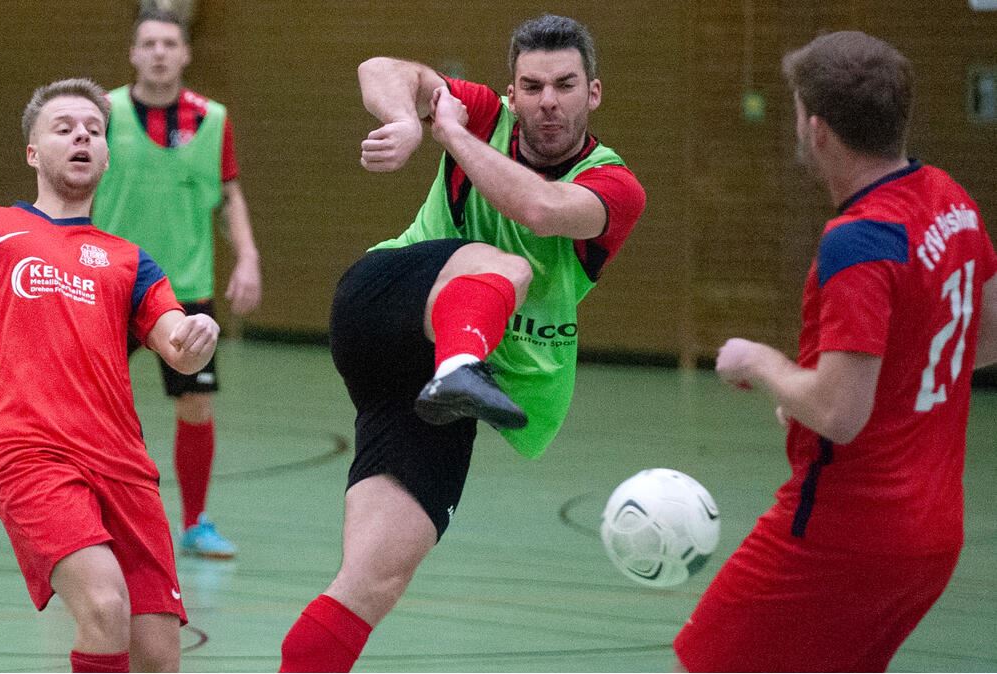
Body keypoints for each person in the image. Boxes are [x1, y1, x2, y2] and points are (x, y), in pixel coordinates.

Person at [278, 14, 646, 672]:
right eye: (531, 87)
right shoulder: (482, 114)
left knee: (373, 581)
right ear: (511, 93)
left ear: (594, 93)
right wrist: (402, 118)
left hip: (437, 389)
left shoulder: (614, 186)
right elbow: (383, 70)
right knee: (507, 267)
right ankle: (459, 364)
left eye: (565, 85)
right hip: (383, 305)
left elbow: (541, 209)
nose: (548, 102)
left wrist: (447, 131)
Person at [673, 31, 997, 672]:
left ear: (816, 129)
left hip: (842, 532)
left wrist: (762, 364)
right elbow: (982, 333)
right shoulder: (948, 199)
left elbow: (840, 414)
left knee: (700, 661)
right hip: (933, 535)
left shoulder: (859, 240)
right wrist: (844, 388)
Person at [0, 78, 221, 673]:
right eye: (65, 127)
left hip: (124, 465)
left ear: (106, 155)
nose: (82, 137)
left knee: (158, 656)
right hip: (29, 454)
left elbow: (177, 345)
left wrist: (198, 340)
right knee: (103, 606)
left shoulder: (129, 259)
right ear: (32, 151)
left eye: (95, 131)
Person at [92, 9, 261, 559]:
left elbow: (230, 192)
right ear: (134, 52)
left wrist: (248, 257)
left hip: (184, 287)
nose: (159, 52)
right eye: (149, 43)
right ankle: (85, 516)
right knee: (89, 403)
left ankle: (195, 523)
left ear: (186, 53)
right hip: (109, 284)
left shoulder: (213, 119)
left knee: (195, 403)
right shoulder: (105, 114)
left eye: (169, 42)